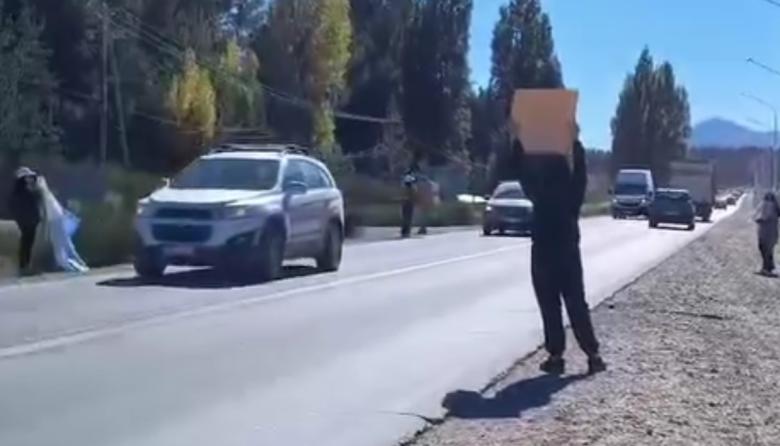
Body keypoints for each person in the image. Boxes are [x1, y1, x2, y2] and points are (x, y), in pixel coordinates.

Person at [512, 127, 606, 376]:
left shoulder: (539, 193)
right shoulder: (572, 194)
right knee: (576, 304)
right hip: (568, 254)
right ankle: (593, 355)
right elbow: (581, 174)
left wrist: (519, 142)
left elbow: (521, 173)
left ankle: (556, 356)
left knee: (549, 305)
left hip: (543, 254)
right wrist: (576, 143)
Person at [8, 167, 43, 274]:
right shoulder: (24, 192)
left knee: (27, 243)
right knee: (26, 243)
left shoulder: (20, 191)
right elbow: (37, 197)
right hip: (27, 221)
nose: (30, 179)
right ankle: (24, 266)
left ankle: (25, 265)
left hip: (27, 220)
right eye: (27, 177)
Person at [755, 191, 780, 277]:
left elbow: (764, 217)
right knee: (766, 250)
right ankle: (768, 268)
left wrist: (759, 219)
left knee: (766, 251)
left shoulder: (769, 206)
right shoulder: (773, 206)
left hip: (767, 233)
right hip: (768, 233)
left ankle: (767, 269)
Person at [400, 164, 419, 238]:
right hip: (409, 202)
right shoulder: (411, 186)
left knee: (405, 217)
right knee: (408, 217)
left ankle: (405, 231)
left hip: (406, 202)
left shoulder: (404, 184)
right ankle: (406, 231)